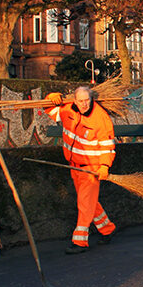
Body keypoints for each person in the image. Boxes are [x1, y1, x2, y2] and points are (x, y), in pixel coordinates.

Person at [44, 86, 116, 254]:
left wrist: (104, 166)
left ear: (91, 100)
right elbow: (49, 110)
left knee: (84, 203)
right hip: (74, 165)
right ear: (74, 100)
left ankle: (80, 241)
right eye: (81, 101)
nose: (84, 104)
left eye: (87, 101)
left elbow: (107, 147)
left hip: (91, 168)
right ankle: (107, 228)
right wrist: (51, 97)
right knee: (90, 202)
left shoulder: (101, 118)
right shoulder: (67, 109)